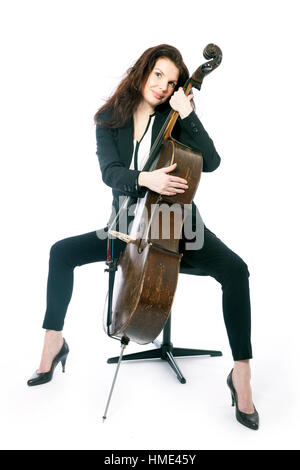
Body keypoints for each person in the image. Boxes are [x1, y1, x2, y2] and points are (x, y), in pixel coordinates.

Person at [27, 44, 259, 430]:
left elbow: (212, 163)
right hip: (126, 228)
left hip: (177, 225)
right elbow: (111, 172)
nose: (164, 87)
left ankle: (242, 376)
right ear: (143, 70)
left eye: (171, 83)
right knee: (61, 253)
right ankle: (53, 343)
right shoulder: (109, 119)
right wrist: (144, 179)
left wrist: (188, 115)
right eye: (158, 75)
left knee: (236, 271)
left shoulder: (176, 116)